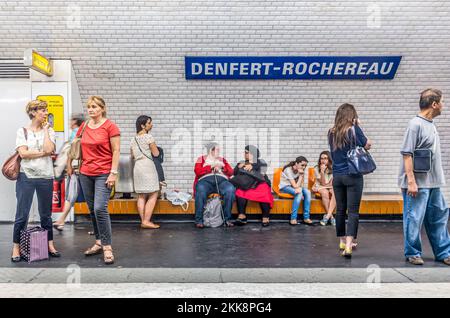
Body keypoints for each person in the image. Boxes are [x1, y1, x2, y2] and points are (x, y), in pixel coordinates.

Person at [399, 88, 450, 266]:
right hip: (418, 183)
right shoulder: (415, 124)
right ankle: (413, 252)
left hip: (434, 182)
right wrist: (411, 182)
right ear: (434, 104)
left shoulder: (430, 123)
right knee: (414, 218)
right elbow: (407, 154)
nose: (444, 105)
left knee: (439, 216)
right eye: (442, 101)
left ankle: (444, 252)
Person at [67, 96, 120, 265]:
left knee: (100, 208)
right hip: (85, 172)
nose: (91, 109)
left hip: (104, 172)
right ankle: (98, 241)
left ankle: (107, 247)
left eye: (95, 107)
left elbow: (116, 151)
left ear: (102, 108)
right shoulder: (84, 126)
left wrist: (113, 173)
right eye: (89, 107)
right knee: (92, 209)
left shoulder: (110, 126)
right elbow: (74, 146)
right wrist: (71, 165)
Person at [11, 100, 60, 262]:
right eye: (42, 110)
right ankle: (16, 247)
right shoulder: (22, 131)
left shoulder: (50, 130)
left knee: (46, 214)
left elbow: (49, 149)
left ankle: (50, 244)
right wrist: (42, 153)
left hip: (45, 176)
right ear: (33, 112)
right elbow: (23, 154)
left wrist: (46, 131)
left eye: (46, 110)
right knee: (22, 214)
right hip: (26, 176)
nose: (45, 113)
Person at [328, 103, 372, 258]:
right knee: (353, 211)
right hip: (353, 175)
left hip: (337, 176)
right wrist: (357, 126)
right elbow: (367, 144)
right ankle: (348, 245)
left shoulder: (331, 132)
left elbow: (333, 153)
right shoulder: (353, 129)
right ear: (351, 116)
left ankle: (341, 241)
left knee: (340, 210)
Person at [53, 113, 85, 231]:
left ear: (75, 121)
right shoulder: (80, 132)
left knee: (71, 195)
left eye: (71, 120)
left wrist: (68, 166)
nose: (69, 122)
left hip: (75, 169)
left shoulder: (75, 133)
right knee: (71, 195)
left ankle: (61, 220)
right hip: (78, 168)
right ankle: (61, 221)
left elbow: (71, 152)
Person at [193, 142, 235, 228]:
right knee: (200, 189)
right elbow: (197, 171)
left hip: (221, 181)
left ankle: (227, 219)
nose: (219, 151)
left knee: (230, 189)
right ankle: (199, 220)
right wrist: (211, 167)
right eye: (217, 150)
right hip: (205, 181)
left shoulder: (222, 160)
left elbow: (231, 172)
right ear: (211, 151)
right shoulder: (201, 159)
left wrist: (222, 167)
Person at [130, 115, 160, 229]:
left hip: (137, 167)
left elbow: (132, 156)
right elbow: (156, 153)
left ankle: (143, 221)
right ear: (143, 125)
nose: (151, 125)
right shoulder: (148, 137)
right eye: (149, 123)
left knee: (141, 195)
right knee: (153, 193)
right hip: (148, 166)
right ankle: (147, 221)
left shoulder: (133, 139)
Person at [233, 145, 274, 227]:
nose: (244, 154)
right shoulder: (243, 162)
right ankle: (242, 215)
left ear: (253, 154)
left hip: (260, 183)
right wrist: (238, 167)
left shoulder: (261, 162)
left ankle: (265, 216)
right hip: (247, 184)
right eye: (244, 152)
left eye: (246, 152)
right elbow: (235, 173)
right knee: (240, 192)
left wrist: (252, 166)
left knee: (264, 192)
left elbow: (263, 168)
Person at [279, 156, 313, 226]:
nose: (304, 167)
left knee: (307, 192)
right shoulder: (288, 170)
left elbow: (300, 185)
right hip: (285, 187)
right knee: (299, 193)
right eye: (302, 165)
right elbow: (295, 186)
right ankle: (293, 218)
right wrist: (301, 176)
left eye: (305, 165)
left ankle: (306, 217)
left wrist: (301, 177)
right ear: (296, 163)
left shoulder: (300, 170)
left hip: (294, 187)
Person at [312, 151, 337, 226]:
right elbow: (323, 183)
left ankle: (327, 216)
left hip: (330, 186)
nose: (323, 160)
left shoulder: (334, 167)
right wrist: (322, 172)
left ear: (329, 159)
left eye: (325, 158)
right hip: (320, 186)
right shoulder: (316, 168)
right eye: (321, 158)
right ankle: (331, 217)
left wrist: (329, 185)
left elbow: (331, 183)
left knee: (336, 192)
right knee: (325, 192)